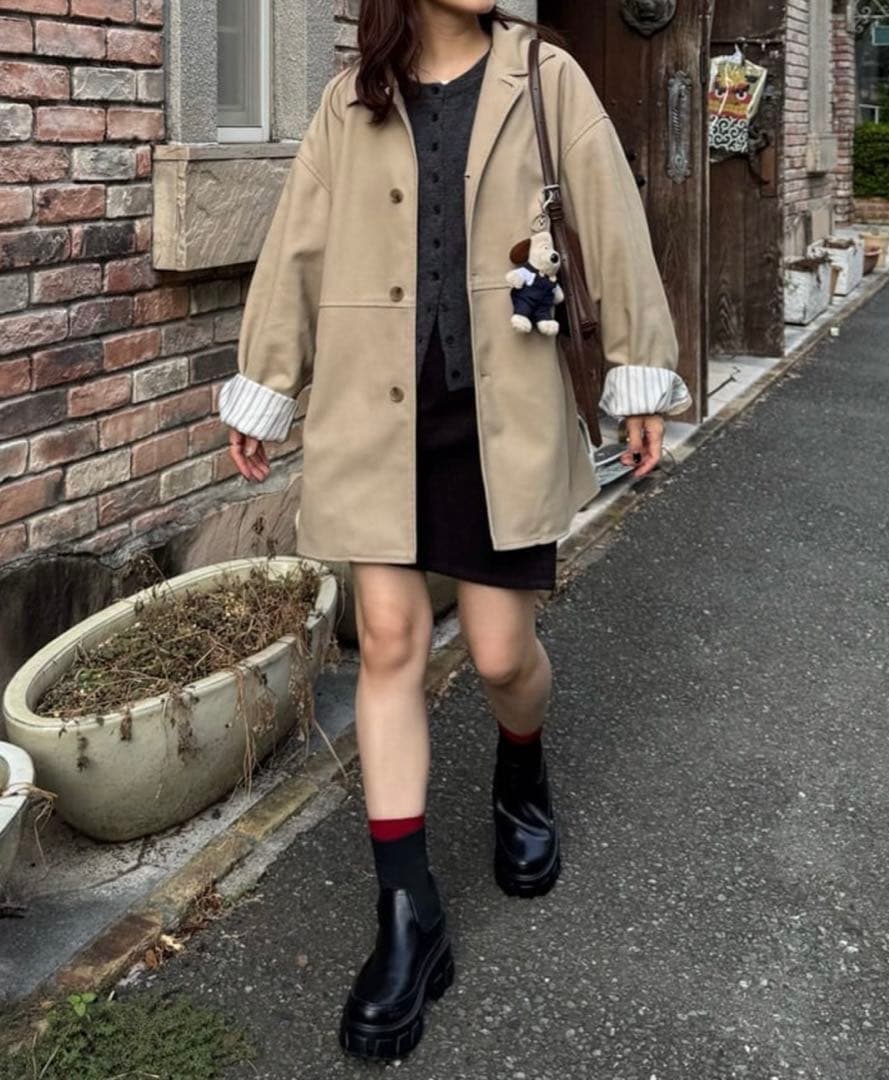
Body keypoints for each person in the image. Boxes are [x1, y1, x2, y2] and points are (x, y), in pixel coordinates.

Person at [218, 0, 690, 1062]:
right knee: (387, 641)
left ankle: (521, 767)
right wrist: (266, 382)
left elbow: (610, 219)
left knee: (499, 654)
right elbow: (298, 246)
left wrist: (639, 369)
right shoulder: (352, 100)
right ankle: (407, 915)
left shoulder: (545, 78)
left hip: (500, 414)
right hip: (374, 414)